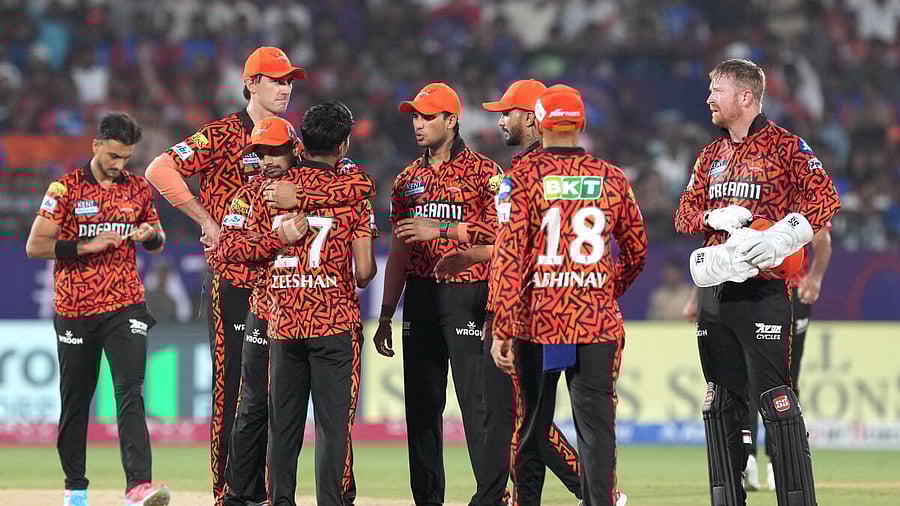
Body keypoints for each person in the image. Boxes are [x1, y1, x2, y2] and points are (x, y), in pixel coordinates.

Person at [144, 46, 307, 506]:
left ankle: (267, 492)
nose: (286, 88)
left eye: (289, 80)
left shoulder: (289, 137)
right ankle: (228, 492)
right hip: (235, 276)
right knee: (233, 384)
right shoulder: (220, 135)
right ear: (251, 83)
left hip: (280, 280)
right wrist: (206, 221)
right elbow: (160, 168)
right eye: (276, 80)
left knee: (278, 390)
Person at [674, 58, 840, 506]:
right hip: (716, 294)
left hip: (765, 293)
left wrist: (786, 235)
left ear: (745, 97)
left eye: (717, 89)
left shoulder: (787, 147)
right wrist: (711, 215)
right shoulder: (710, 154)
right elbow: (683, 214)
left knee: (777, 401)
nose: (709, 97)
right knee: (720, 403)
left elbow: (826, 198)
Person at [491, 84, 647, 506]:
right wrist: (604, 289)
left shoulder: (521, 178)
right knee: (598, 430)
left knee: (530, 427)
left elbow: (507, 255)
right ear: (580, 123)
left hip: (539, 321)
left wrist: (502, 324)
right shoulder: (612, 178)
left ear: (539, 123)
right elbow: (636, 251)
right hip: (596, 322)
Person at [216, 102, 376, 506]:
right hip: (333, 321)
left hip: (284, 323)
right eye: (261, 153)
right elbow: (363, 271)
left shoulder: (264, 194)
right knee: (332, 428)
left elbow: (228, 249)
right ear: (343, 144)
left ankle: (276, 501)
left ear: (300, 145)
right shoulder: (350, 194)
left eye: (274, 151)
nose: (267, 161)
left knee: (281, 427)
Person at [434, 79, 583, 505]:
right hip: (554, 305)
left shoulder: (525, 175)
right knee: (520, 410)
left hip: (518, 309)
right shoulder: (568, 171)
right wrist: (476, 255)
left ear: (534, 119)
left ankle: (592, 489)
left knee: (514, 411)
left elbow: (514, 240)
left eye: (508, 113)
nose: (501, 121)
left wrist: (456, 236)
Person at [25, 113, 171, 506]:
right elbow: (35, 245)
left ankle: (138, 487)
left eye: (124, 157)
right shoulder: (65, 189)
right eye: (112, 156)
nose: (118, 165)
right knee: (76, 397)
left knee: (130, 392)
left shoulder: (138, 189)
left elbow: (158, 239)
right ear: (95, 145)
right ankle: (75, 487)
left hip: (125, 305)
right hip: (75, 308)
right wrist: (82, 247)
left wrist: (149, 234)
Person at [372, 82, 502, 505]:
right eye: (414, 116)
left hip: (470, 295)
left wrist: (445, 230)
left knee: (477, 405)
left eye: (427, 116)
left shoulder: (487, 173)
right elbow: (399, 251)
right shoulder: (407, 180)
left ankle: (491, 496)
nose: (418, 124)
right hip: (422, 299)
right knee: (422, 409)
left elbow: (509, 233)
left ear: (452, 119)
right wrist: (388, 313)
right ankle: (427, 500)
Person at [743, 225, 832, 492]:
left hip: (792, 291)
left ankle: (779, 461)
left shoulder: (800, 195)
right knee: (750, 378)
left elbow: (822, 240)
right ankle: (747, 459)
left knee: (786, 379)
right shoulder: (751, 194)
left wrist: (815, 278)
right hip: (754, 289)